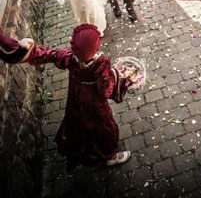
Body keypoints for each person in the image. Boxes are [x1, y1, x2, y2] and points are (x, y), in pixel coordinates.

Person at [1, 24, 132, 170]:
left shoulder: (69, 56)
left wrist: (27, 48)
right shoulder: (101, 64)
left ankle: (84, 150)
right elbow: (106, 90)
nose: (71, 38)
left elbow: (47, 55)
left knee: (79, 126)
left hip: (76, 100)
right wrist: (118, 72)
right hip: (95, 106)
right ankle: (111, 156)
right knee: (104, 129)